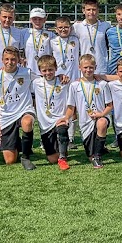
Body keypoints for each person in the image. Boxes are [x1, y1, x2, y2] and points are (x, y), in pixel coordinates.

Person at [0, 46, 36, 170]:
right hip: (6, 116)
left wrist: (60, 76)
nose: (10, 62)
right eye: (7, 59)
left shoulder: (27, 73)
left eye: (13, 59)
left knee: (27, 122)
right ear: (2, 59)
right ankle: (19, 144)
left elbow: (45, 79)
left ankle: (26, 157)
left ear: (19, 60)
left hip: (24, 110)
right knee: (9, 160)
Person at [64, 53, 112, 168]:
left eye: (91, 67)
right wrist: (66, 118)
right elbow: (71, 107)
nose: (88, 70)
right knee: (89, 155)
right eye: (85, 67)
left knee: (102, 123)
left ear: (95, 67)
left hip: (101, 116)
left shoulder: (102, 84)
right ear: (80, 67)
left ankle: (98, 156)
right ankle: (98, 150)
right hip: (85, 123)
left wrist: (101, 114)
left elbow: (110, 105)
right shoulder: (75, 85)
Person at [32, 55, 72, 170]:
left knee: (62, 129)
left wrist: (67, 116)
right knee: (52, 159)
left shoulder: (63, 82)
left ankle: (63, 158)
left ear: (56, 68)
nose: (48, 73)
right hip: (45, 124)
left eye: (50, 70)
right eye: (44, 70)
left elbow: (71, 102)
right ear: (40, 71)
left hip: (60, 119)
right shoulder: (36, 82)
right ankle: (60, 151)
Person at [50, 15, 80, 149]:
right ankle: (58, 135)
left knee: (73, 108)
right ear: (56, 29)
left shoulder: (75, 39)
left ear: (70, 28)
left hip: (74, 78)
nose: (63, 30)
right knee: (60, 107)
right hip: (59, 79)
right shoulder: (52, 41)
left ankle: (71, 138)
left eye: (66, 27)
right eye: (60, 27)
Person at [73, 0, 111, 74]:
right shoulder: (77, 26)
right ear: (83, 11)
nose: (91, 12)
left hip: (101, 67)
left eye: (94, 9)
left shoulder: (106, 26)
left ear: (98, 11)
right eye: (88, 10)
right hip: (85, 68)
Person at [0, 3, 26, 76]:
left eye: (10, 17)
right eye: (4, 17)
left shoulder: (18, 32)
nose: (7, 20)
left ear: (14, 18)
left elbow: (21, 51)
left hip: (13, 70)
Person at [23, 7, 54, 77]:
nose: (37, 21)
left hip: (46, 72)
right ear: (30, 20)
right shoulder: (24, 32)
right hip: (29, 72)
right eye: (34, 19)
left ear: (45, 20)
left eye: (40, 19)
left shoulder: (51, 35)